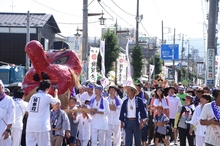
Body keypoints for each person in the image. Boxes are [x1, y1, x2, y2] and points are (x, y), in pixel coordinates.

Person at [26, 80, 59, 146]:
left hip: (30, 126)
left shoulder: (33, 96)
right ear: (47, 88)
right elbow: (56, 103)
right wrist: (56, 93)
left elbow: (28, 110)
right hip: (42, 126)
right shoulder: (47, 96)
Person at [119, 81, 147, 146]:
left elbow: (143, 111)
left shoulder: (139, 100)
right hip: (128, 121)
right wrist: (121, 123)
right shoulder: (125, 101)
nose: (127, 92)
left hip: (136, 121)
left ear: (133, 91)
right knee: (128, 139)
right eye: (127, 90)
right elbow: (122, 112)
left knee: (137, 139)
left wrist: (141, 122)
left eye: (129, 90)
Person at [0, 79, 15, 146]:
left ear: (2, 87)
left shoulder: (9, 100)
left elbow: (12, 116)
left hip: (3, 131)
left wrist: (8, 130)